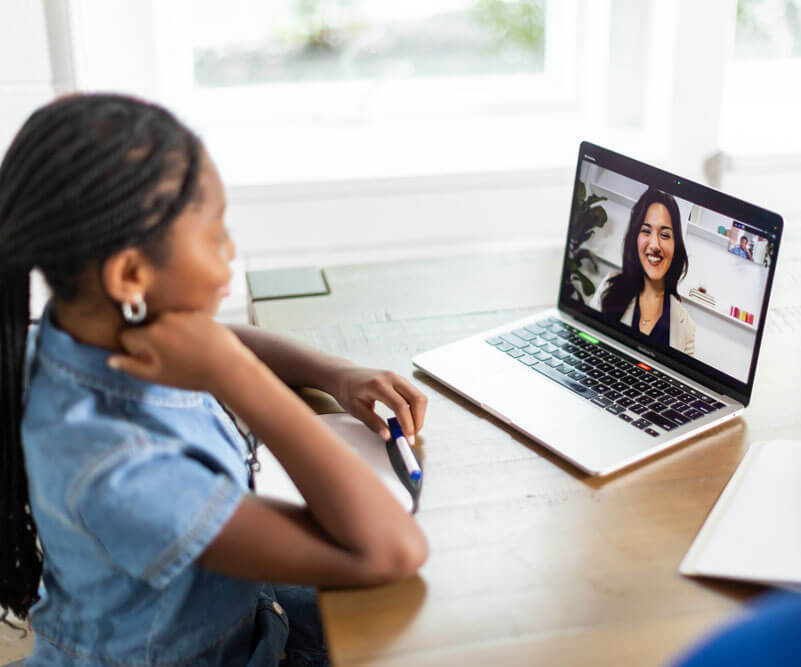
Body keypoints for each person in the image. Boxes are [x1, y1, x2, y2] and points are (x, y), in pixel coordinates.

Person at [0, 94, 428, 666]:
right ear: (130, 275)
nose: (230, 252)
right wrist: (242, 379)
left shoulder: (73, 336)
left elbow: (204, 340)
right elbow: (394, 550)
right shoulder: (124, 470)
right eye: (213, 236)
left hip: (234, 618)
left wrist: (336, 373)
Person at [588, 187, 695, 355]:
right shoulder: (609, 287)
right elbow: (589, 346)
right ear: (635, 239)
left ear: (676, 247)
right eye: (646, 231)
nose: (654, 245)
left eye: (665, 235)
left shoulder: (686, 326)